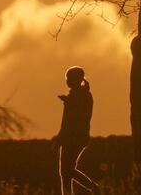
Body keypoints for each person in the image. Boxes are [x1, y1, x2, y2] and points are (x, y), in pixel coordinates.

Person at [55, 65, 96, 194]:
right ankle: (95, 189)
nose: (67, 81)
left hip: (72, 138)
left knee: (66, 171)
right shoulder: (81, 95)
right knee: (67, 171)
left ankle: (95, 189)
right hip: (78, 137)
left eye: (69, 78)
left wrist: (59, 139)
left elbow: (69, 121)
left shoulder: (78, 97)